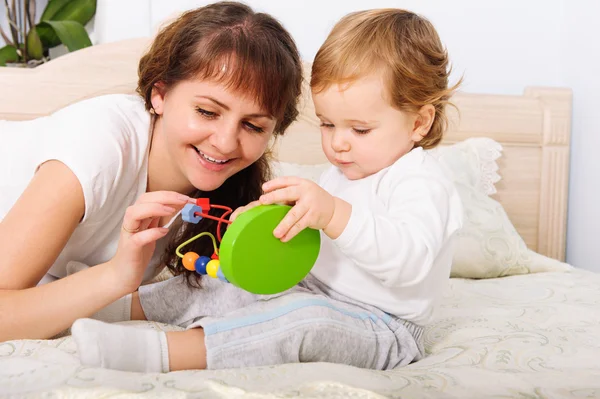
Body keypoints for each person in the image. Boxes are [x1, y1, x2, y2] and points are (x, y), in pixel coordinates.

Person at [70, 7, 463, 373]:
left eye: (359, 129)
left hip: (384, 325)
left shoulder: (422, 182)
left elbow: (407, 262)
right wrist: (260, 225)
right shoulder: (344, 171)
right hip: (312, 286)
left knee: (298, 322)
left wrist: (333, 214)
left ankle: (162, 354)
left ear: (419, 123)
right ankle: (118, 307)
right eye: (328, 125)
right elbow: (305, 237)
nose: (339, 143)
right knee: (222, 284)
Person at [0, 1, 303, 343]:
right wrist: (115, 277)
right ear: (159, 95)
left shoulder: (232, 196)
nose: (225, 142)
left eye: (252, 125)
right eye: (206, 112)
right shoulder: (97, 146)